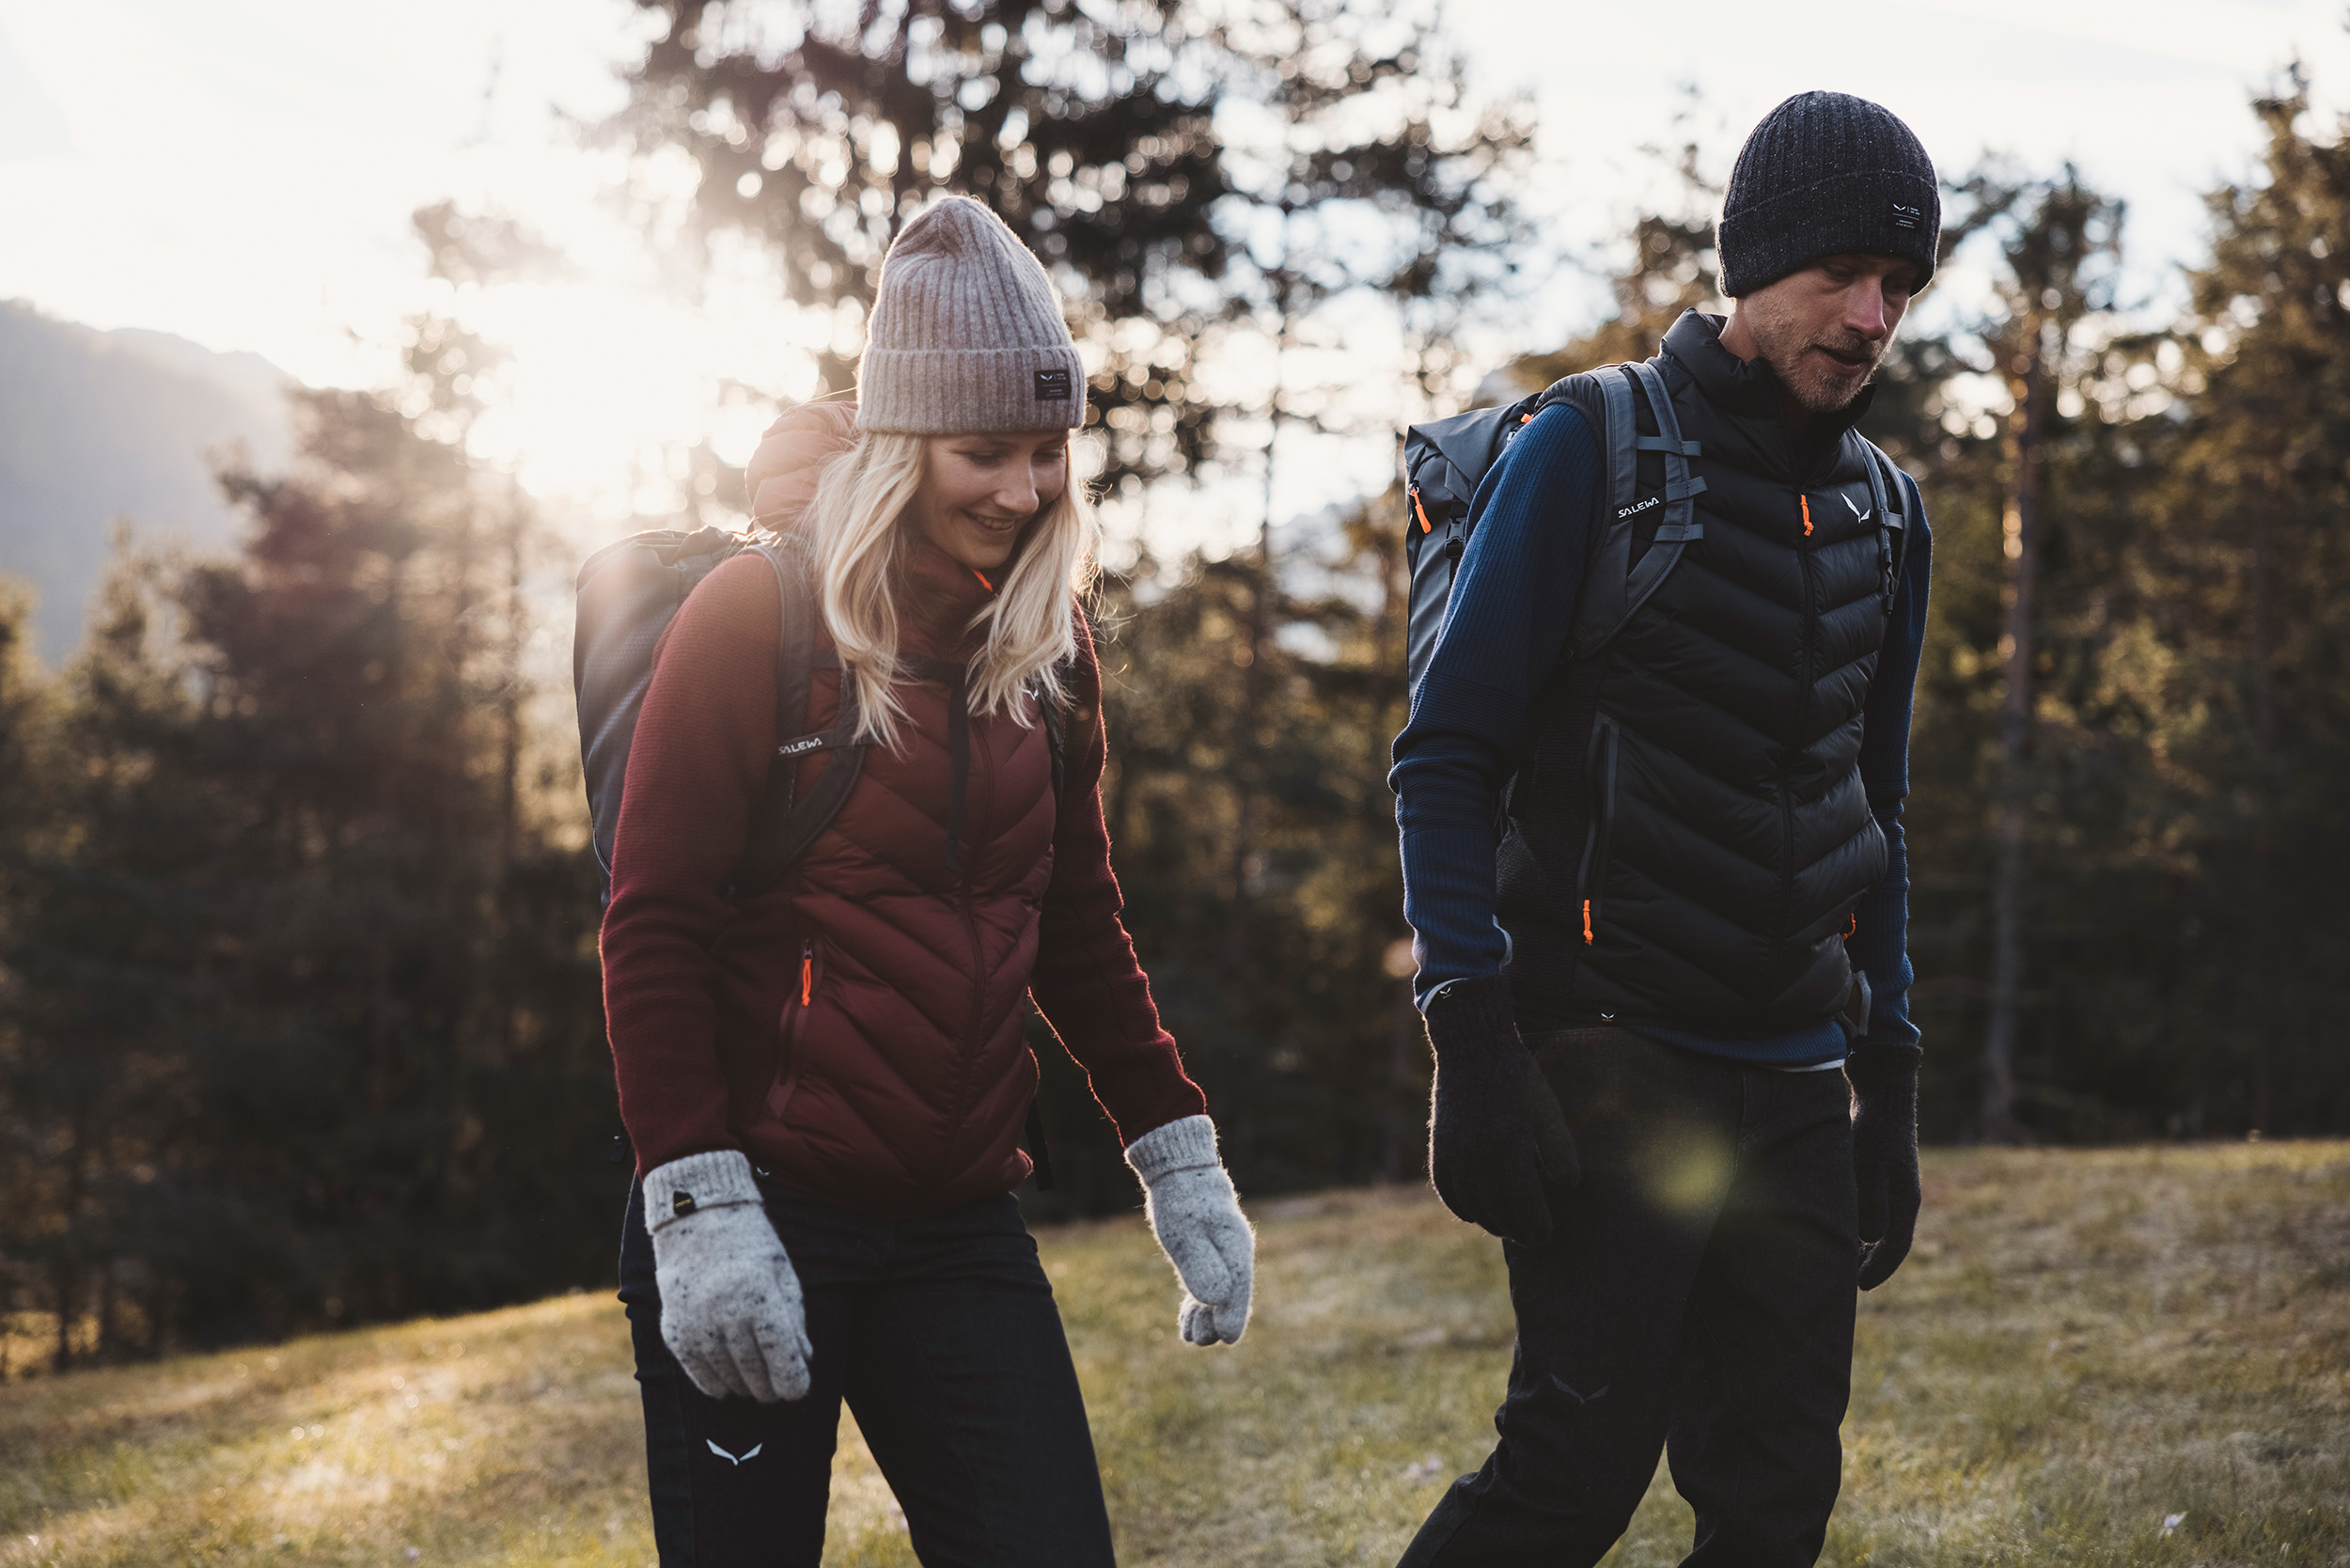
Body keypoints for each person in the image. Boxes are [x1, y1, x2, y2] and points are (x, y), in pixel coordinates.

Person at [600, 196, 1255, 1568]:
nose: (1024, 493)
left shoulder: (1048, 640)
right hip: (760, 1203)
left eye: (1047, 453)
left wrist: (1177, 1155)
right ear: (900, 445)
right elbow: (651, 925)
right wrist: (701, 1211)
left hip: (958, 1220)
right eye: (984, 453)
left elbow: (1073, 920)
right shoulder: (756, 619)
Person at [1388, 92, 1939, 1567]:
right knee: (1572, 1474)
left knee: (1776, 1499)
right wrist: (1475, 1044)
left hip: (1797, 1079)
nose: (1873, 314)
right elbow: (1442, 760)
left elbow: (1873, 809)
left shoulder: (1889, 511)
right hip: (1610, 1060)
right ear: (1753, 263)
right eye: (1840, 274)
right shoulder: (1591, 446)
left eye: (1901, 286)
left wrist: (1885, 1084)